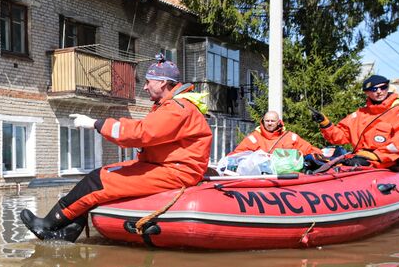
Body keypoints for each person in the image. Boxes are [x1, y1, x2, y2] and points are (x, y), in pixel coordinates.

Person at [20, 57, 213, 241]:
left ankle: (48, 224)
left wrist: (96, 123)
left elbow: (140, 133)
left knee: (98, 181)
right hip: (167, 167)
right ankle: (69, 231)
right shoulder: (174, 106)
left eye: (148, 82)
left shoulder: (176, 108)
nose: (144, 86)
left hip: (175, 171)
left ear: (162, 82)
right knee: (101, 174)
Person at [312, 73, 399, 168]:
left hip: (389, 162)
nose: (379, 91)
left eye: (383, 87)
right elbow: (339, 137)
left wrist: (377, 155)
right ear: (367, 93)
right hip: (362, 160)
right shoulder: (359, 115)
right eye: (374, 89)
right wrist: (325, 124)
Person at [226, 110, 319, 158]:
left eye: (272, 121)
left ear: (278, 122)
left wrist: (324, 155)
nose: (269, 123)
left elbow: (309, 150)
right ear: (263, 121)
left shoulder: (290, 137)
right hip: (261, 179)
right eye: (267, 121)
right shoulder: (254, 138)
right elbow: (237, 155)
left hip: (287, 178)